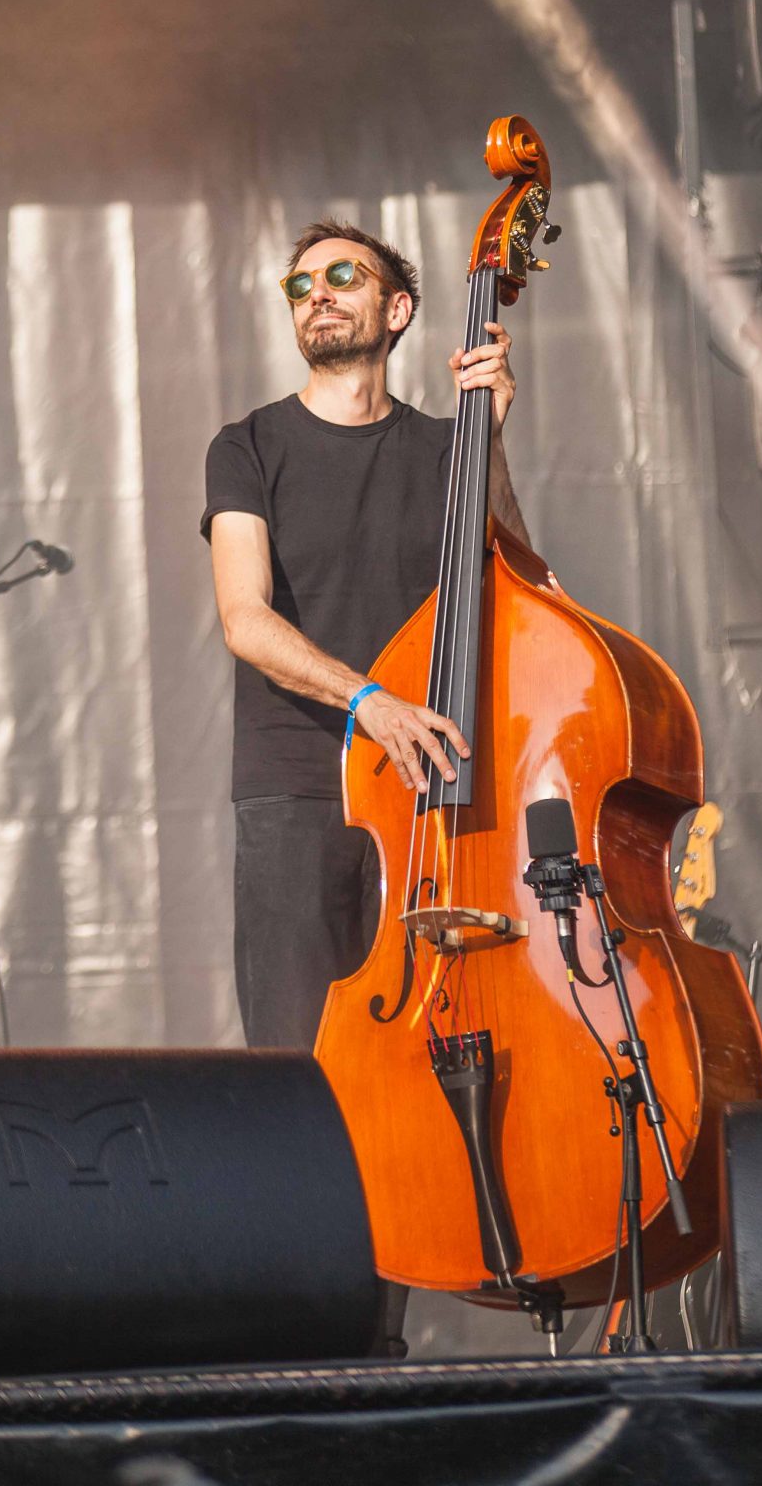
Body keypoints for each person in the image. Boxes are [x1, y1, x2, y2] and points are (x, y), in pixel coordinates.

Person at [203, 219, 535, 1053]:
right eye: (300, 286)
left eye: (343, 277)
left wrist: (488, 442)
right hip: (298, 791)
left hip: (429, 793)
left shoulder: (447, 448)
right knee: (298, 1058)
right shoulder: (247, 447)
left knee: (437, 1051)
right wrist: (371, 702)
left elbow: (523, 590)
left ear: (397, 311)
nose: (316, 293)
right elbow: (245, 618)